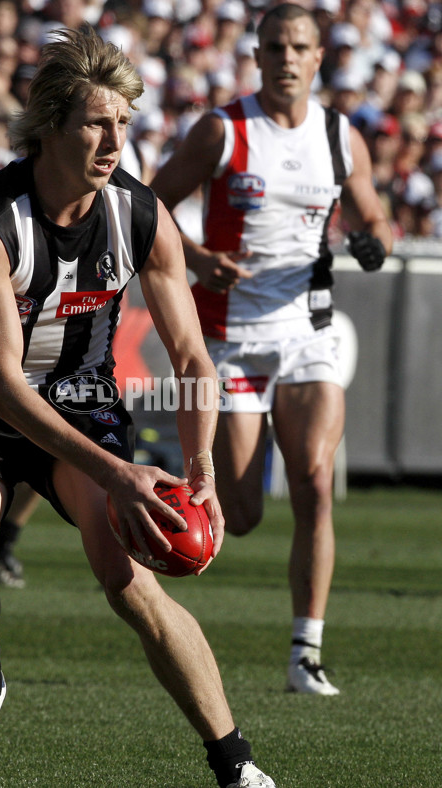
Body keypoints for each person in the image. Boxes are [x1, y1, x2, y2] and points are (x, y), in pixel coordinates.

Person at [0, 25, 276, 788]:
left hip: (82, 409)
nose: (115, 140)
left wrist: (200, 463)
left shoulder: (140, 214)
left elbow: (190, 359)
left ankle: (237, 767)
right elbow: (7, 386)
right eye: (95, 123)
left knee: (131, 580)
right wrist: (118, 474)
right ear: (50, 125)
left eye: (123, 123)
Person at [151, 3, 393, 696]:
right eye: (275, 46)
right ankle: (150, 491)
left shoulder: (341, 137)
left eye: (299, 46)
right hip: (227, 338)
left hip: (308, 331)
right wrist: (196, 258)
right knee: (245, 515)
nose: (287, 57)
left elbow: (373, 213)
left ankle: (305, 653)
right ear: (256, 56)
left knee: (316, 481)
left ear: (320, 57)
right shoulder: (222, 131)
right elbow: (152, 205)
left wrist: (376, 239)